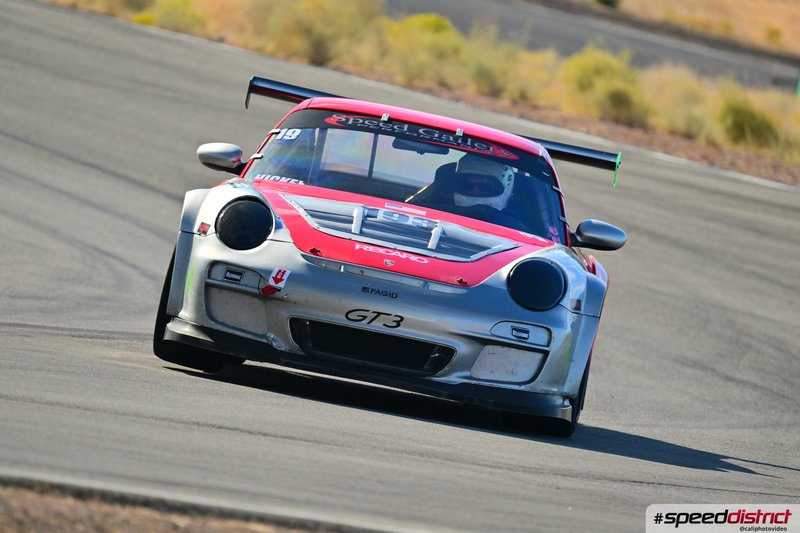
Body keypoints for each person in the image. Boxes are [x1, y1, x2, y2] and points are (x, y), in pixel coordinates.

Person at [451, 154, 525, 230]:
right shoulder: (440, 213)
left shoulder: (516, 228)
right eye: (467, 186)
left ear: (506, 189)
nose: (475, 192)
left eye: (485, 187)